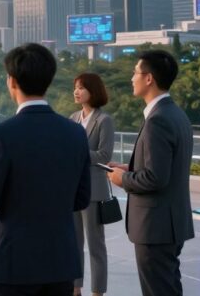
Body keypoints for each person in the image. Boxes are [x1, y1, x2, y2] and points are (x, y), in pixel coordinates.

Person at [0, 43, 91, 296]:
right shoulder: (75, 132)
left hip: (14, 264)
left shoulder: (1, 135)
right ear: (48, 80)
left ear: (12, 81)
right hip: (60, 262)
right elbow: (81, 198)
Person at [108, 50, 194, 296]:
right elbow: (163, 168)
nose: (131, 78)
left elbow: (156, 178)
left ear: (149, 79)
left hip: (155, 227)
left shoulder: (158, 120)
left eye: (135, 72)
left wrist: (121, 178)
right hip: (170, 224)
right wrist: (131, 168)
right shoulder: (175, 114)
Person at [69, 73, 116, 296]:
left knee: (96, 246)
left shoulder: (104, 120)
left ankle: (98, 291)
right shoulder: (73, 118)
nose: (76, 91)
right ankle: (75, 287)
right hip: (73, 190)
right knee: (73, 243)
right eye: (75, 88)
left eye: (81, 88)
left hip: (94, 191)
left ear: (93, 91)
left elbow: (105, 155)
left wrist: (77, 154)